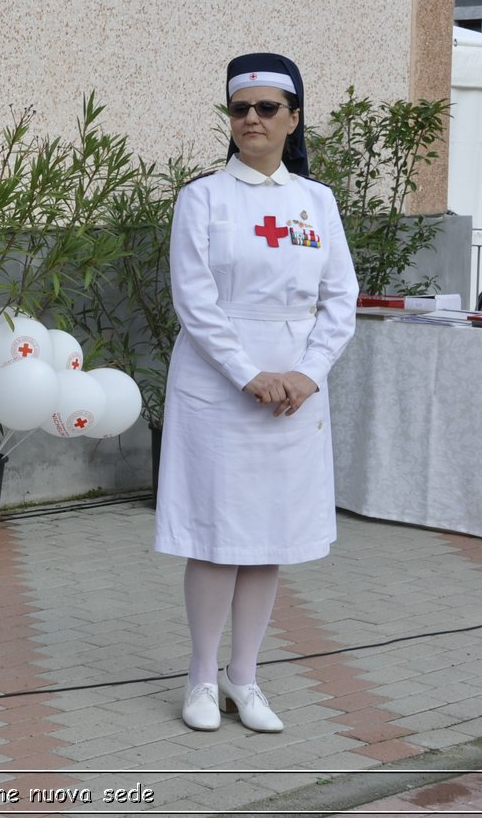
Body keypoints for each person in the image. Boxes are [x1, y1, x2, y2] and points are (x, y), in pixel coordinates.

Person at [153, 53, 357, 734]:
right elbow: (196, 299)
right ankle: (202, 678)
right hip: (220, 386)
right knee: (216, 535)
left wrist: (308, 371)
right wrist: (249, 373)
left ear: (294, 118)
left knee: (268, 536)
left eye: (268, 108)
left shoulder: (316, 201)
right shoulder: (203, 198)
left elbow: (341, 299)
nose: (252, 120)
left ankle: (247, 675)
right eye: (241, 109)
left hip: (296, 391)